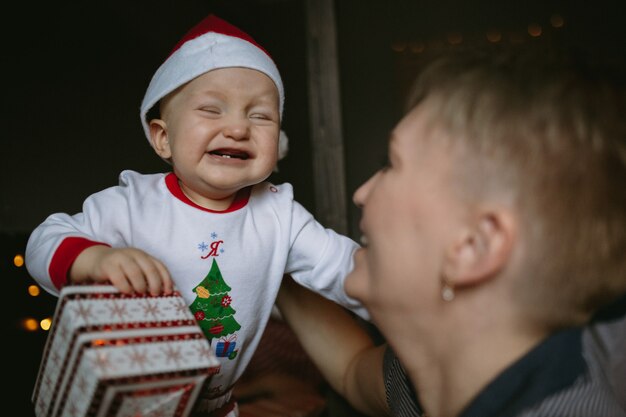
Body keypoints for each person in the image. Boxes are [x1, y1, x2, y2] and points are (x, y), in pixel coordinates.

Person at [24, 14, 366, 417]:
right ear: (163, 137)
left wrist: (411, 287)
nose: (238, 127)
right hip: (131, 406)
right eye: (211, 109)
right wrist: (93, 259)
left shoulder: (280, 213)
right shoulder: (133, 202)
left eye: (260, 115)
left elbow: (346, 268)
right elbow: (43, 240)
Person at [276, 44, 626, 417]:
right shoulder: (463, 364)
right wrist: (268, 250)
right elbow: (351, 370)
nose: (361, 194)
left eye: (391, 164)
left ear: (472, 246)